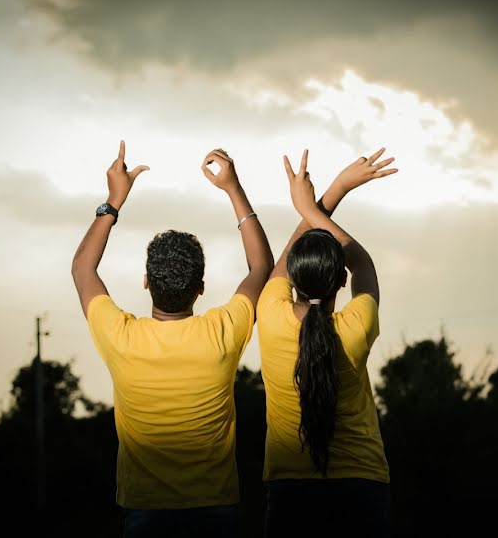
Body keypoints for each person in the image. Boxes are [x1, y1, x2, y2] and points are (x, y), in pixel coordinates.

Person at [71, 141, 273, 537]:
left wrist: (113, 202)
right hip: (216, 512)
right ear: (200, 287)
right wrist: (234, 190)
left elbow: (82, 269)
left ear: (146, 283)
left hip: (145, 515)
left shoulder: (122, 338)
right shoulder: (221, 333)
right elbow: (261, 265)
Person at [256, 148, 398, 537]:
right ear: (341, 282)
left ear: (293, 281)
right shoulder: (357, 325)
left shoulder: (269, 316)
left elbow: (289, 256)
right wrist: (319, 202)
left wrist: (322, 198)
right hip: (362, 484)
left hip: (290, 488)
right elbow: (364, 264)